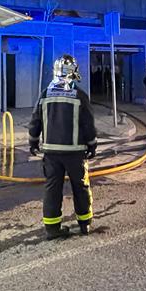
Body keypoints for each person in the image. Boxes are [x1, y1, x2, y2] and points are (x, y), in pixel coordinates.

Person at [28, 54, 98, 239]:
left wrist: (33, 141)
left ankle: (52, 228)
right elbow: (88, 125)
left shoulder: (45, 94)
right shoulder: (80, 96)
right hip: (75, 153)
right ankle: (85, 224)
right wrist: (92, 146)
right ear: (73, 72)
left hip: (51, 153)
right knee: (80, 187)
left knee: (52, 188)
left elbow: (35, 121)